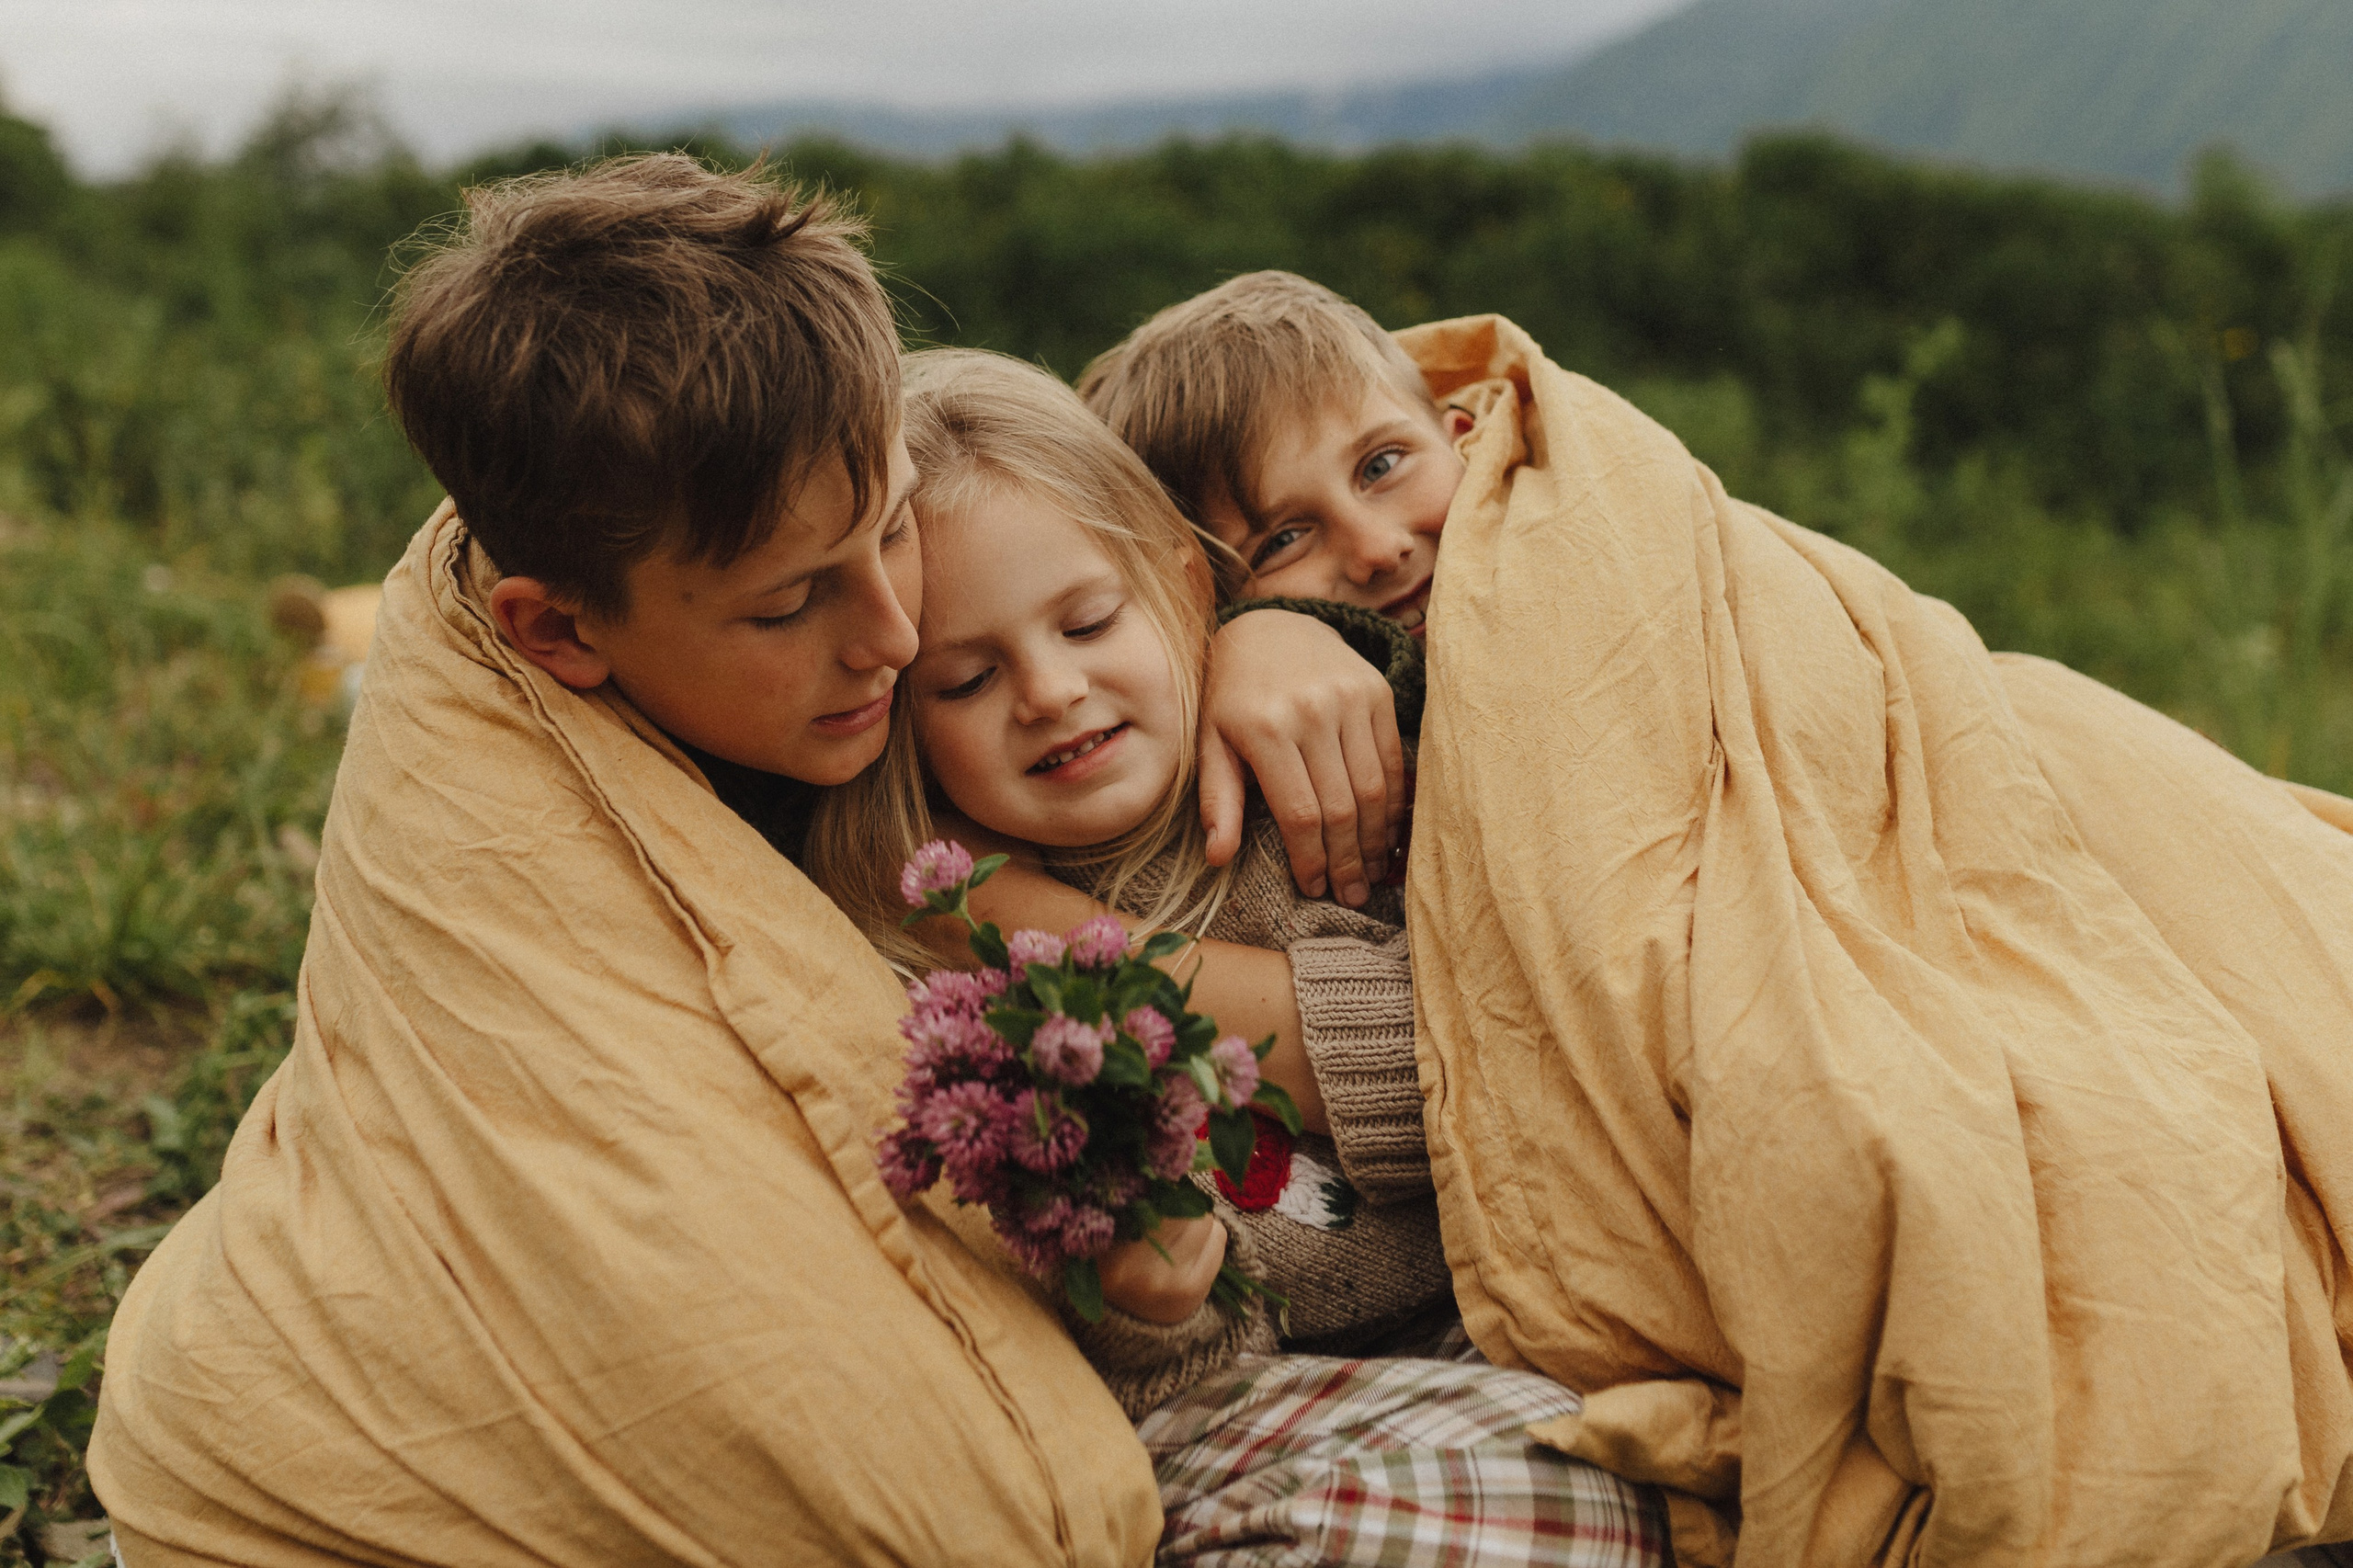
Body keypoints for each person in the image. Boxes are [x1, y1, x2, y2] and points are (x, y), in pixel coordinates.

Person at [88, 156, 1666, 1568]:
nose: (898, 637)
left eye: (891, 529)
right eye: (796, 606)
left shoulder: (1163, 715)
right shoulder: (583, 779)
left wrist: (1270, 627)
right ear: (559, 632)